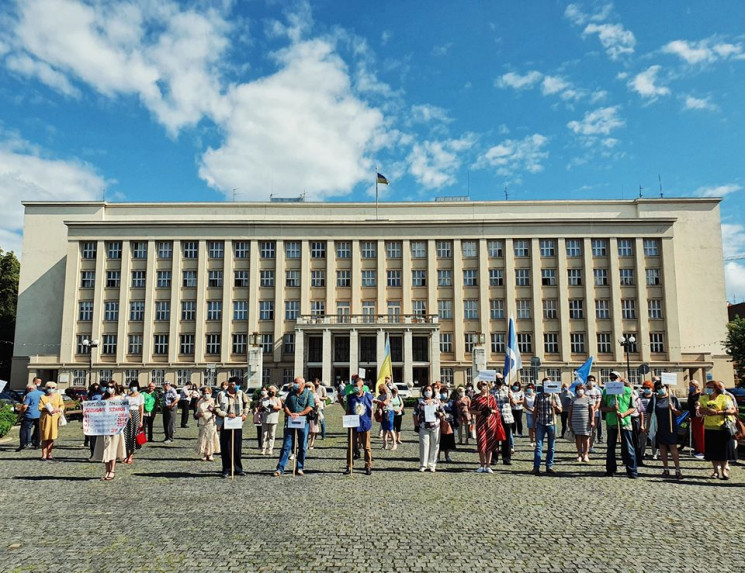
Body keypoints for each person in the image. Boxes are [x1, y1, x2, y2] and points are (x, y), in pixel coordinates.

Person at [600, 371, 638, 479]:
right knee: (610, 447)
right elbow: (602, 407)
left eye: (615, 377)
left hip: (625, 423)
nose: (613, 379)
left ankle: (632, 471)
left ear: (620, 378)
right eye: (611, 377)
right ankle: (610, 470)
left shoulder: (627, 391)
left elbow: (633, 407)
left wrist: (624, 414)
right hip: (611, 422)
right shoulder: (606, 390)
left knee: (628, 448)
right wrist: (610, 409)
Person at [697, 380, 737, 480]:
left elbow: (732, 410)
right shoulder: (703, 398)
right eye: (707, 387)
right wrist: (706, 411)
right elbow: (700, 410)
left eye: (710, 387)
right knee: (713, 451)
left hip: (722, 427)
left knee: (723, 451)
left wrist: (717, 412)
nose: (708, 389)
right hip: (709, 427)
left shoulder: (725, 398)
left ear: (716, 388)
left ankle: (723, 470)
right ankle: (715, 471)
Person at [274, 377, 314, 477]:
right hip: (290, 421)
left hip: (303, 422)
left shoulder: (309, 394)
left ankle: (299, 467)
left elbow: (310, 407)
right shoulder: (291, 393)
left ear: (303, 384)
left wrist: (300, 414)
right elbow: (286, 406)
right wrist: (290, 414)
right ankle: (280, 468)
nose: (294, 384)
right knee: (286, 446)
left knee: (302, 446)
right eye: (294, 382)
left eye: (296, 383)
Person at [215, 377, 250, 478]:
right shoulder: (221, 394)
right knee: (226, 447)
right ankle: (226, 469)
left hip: (237, 423)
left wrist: (245, 414)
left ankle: (238, 468)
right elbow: (216, 408)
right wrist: (226, 415)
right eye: (231, 384)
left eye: (234, 385)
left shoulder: (241, 394)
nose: (232, 386)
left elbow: (247, 404)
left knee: (237, 446)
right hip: (225, 422)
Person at [92, 383, 127, 481]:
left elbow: (125, 412)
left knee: (113, 449)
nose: (109, 389)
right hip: (104, 427)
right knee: (106, 449)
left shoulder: (120, 398)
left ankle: (112, 470)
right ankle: (107, 470)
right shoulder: (104, 399)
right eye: (108, 387)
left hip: (115, 427)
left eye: (111, 387)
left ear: (115, 388)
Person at [469, 381, 506, 473]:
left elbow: (496, 410)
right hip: (481, 423)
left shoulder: (491, 397)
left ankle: (488, 465)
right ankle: (482, 465)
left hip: (491, 423)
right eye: (482, 385)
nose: (484, 386)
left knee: (490, 444)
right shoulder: (476, 397)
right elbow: (471, 410)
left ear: (489, 386)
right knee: (481, 443)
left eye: (485, 385)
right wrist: (481, 412)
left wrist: (491, 411)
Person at [650, 382, 683, 479]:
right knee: (662, 448)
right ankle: (666, 469)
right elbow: (649, 413)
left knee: (673, 447)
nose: (660, 389)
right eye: (658, 387)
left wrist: (673, 409)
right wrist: (647, 427)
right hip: (659, 426)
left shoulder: (673, 398)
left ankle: (677, 469)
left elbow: (680, 413)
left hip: (671, 426)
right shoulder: (655, 399)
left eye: (662, 387)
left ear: (666, 387)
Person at [343, 376, 374, 475]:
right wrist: (347, 420)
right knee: (351, 446)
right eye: (354, 386)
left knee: (367, 447)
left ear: (362, 386)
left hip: (365, 424)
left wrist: (370, 421)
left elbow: (371, 410)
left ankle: (368, 465)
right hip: (353, 424)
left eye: (357, 386)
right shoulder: (350, 397)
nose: (355, 387)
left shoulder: (368, 396)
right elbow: (347, 410)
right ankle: (349, 465)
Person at [413, 384, 445, 472]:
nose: (428, 392)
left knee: (435, 445)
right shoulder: (419, 401)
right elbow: (415, 414)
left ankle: (432, 464)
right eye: (426, 390)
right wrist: (416, 425)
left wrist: (440, 414)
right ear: (423, 392)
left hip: (435, 426)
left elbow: (443, 413)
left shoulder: (437, 401)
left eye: (429, 390)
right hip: (423, 426)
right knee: (424, 445)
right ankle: (423, 464)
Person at [532, 379, 562, 475]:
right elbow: (535, 410)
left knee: (551, 447)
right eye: (545, 383)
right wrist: (534, 423)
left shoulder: (555, 396)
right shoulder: (538, 396)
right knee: (538, 446)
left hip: (552, 423)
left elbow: (560, 410)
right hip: (540, 423)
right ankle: (536, 467)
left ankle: (549, 466)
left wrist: (555, 406)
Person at [568, 383, 594, 462]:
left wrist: (592, 420)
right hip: (575, 421)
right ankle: (579, 454)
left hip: (586, 421)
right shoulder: (573, 399)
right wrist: (569, 421)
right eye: (578, 389)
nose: (580, 390)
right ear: (576, 390)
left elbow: (591, 410)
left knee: (586, 438)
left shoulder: (588, 398)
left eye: (582, 389)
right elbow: (570, 410)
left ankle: (586, 454)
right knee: (578, 438)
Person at [38, 381, 65, 461]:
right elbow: (40, 407)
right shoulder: (43, 397)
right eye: (49, 388)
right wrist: (47, 408)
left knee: (52, 436)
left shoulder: (58, 396)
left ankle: (49, 453)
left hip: (54, 418)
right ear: (46, 388)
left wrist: (59, 409)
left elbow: (62, 405)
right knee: (45, 436)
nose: (51, 389)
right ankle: (44, 454)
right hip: (45, 418)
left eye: (53, 388)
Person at [491, 374, 513, 464]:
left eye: (501, 378)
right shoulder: (491, 391)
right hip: (496, 417)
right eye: (497, 379)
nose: (499, 380)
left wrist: (511, 398)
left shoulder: (508, 390)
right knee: (494, 438)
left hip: (507, 417)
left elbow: (515, 403)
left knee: (506, 439)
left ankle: (506, 458)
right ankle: (494, 458)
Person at [17, 382, 43, 452]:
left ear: (30, 388)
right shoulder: (42, 394)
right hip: (40, 414)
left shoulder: (29, 394)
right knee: (38, 429)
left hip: (30, 414)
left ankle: (24, 443)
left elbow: (25, 406)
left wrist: (20, 414)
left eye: (28, 389)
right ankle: (36, 443)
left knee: (24, 428)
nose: (27, 390)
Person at [123, 381, 144, 464]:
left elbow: (141, 409)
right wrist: (126, 412)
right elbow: (123, 406)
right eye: (131, 386)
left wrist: (141, 421)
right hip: (127, 415)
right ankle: (126, 454)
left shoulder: (140, 396)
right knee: (125, 435)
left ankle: (131, 455)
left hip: (135, 415)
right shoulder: (127, 396)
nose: (133, 388)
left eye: (134, 386)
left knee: (133, 435)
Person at [195, 387, 217, 461]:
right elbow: (196, 413)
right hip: (202, 422)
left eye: (208, 393)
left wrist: (213, 415)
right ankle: (205, 454)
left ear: (210, 393)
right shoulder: (200, 401)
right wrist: (199, 415)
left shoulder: (213, 401)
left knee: (210, 438)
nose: (206, 394)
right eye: (204, 393)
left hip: (210, 421)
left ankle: (210, 454)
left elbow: (216, 411)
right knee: (203, 438)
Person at [260, 386, 282, 455]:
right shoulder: (264, 399)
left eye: (272, 392)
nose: (271, 392)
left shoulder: (277, 399)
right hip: (265, 419)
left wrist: (273, 406)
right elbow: (260, 407)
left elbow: (280, 407)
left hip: (273, 419)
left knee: (272, 435)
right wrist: (262, 409)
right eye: (269, 391)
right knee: (264, 435)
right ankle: (263, 449)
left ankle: (270, 449)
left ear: (275, 392)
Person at [438, 387, 457, 463]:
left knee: (448, 440)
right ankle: (438, 456)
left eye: (445, 392)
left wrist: (456, 423)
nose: (443, 394)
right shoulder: (437, 402)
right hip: (440, 423)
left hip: (449, 423)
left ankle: (447, 456)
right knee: (439, 440)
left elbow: (455, 412)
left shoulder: (452, 402)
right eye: (442, 392)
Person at [687, 380, 705, 459]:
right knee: (695, 434)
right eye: (690, 386)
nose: (690, 387)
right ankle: (697, 449)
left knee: (701, 433)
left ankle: (703, 450)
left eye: (692, 386)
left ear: (696, 386)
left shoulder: (701, 395)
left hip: (700, 416)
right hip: (693, 416)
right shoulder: (690, 394)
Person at [585, 375, 603, 452]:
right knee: (585, 430)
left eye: (592, 380)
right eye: (589, 380)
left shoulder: (597, 391)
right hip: (585, 413)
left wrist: (593, 410)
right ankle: (585, 445)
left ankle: (591, 446)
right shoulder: (584, 390)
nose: (590, 381)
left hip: (595, 413)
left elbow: (598, 402)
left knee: (593, 430)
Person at [375, 384, 395, 449]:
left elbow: (385, 403)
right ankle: (384, 444)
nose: (380, 390)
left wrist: (378, 401)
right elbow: (378, 405)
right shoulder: (380, 396)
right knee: (384, 429)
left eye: (381, 388)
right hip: (383, 413)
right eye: (379, 389)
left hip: (389, 412)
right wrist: (378, 409)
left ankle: (394, 444)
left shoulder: (388, 394)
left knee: (390, 428)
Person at [307, 384, 320, 449]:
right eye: (306, 387)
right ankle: (305, 443)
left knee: (312, 429)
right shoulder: (304, 394)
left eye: (309, 386)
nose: (308, 388)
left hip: (312, 413)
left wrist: (316, 406)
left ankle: (312, 442)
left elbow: (318, 403)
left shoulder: (315, 395)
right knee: (305, 429)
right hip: (305, 413)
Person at [524, 383, 536, 448]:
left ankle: (537, 441)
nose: (529, 389)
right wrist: (530, 410)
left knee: (536, 427)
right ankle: (531, 441)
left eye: (531, 387)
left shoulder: (536, 395)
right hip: (529, 413)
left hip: (536, 413)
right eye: (528, 387)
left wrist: (535, 410)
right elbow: (524, 404)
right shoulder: (525, 396)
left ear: (533, 388)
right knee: (530, 427)